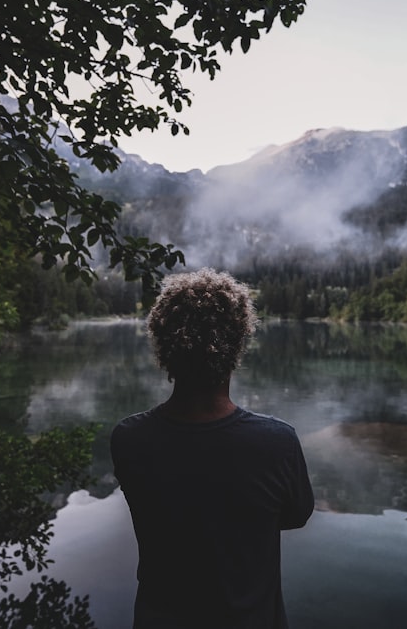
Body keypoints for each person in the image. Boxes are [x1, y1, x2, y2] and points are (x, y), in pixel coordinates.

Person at [111, 268, 314, 629]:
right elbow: (295, 515)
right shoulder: (277, 442)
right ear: (237, 343)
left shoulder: (129, 439)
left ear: (163, 343)